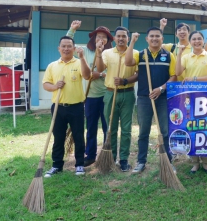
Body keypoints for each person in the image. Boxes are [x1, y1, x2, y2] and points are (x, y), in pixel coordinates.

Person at [125, 27, 177, 174]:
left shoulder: (169, 56)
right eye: (151, 36)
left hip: (162, 98)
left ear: (162, 39)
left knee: (165, 131)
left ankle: (167, 161)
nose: (154, 39)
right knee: (143, 131)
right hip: (144, 98)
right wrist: (132, 42)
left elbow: (174, 76)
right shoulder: (141, 55)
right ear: (147, 39)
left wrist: (161, 89)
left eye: (157, 36)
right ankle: (141, 161)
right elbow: (128, 62)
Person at [66, 20, 113, 167]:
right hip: (91, 95)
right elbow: (68, 44)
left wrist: (97, 73)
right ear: (93, 38)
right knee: (91, 126)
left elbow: (107, 72)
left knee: (107, 127)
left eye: (104, 37)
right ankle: (90, 155)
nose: (101, 39)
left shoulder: (110, 53)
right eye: (98, 36)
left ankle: (108, 153)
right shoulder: (85, 51)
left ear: (108, 40)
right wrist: (72, 30)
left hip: (107, 94)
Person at [42, 36, 91, 177]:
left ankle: (80, 164)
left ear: (74, 48)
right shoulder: (52, 65)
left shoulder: (79, 62)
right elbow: (46, 84)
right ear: (59, 49)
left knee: (78, 136)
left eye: (69, 46)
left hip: (76, 107)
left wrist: (82, 58)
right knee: (58, 137)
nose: (66, 48)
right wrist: (55, 86)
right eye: (63, 46)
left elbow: (87, 76)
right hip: (58, 107)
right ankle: (57, 165)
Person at [96, 26, 138, 172]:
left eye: (124, 36)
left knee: (126, 129)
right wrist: (99, 54)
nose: (121, 38)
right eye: (118, 36)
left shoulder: (135, 53)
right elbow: (100, 69)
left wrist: (125, 80)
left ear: (128, 38)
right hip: (110, 93)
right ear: (114, 38)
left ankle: (124, 159)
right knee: (110, 128)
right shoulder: (107, 53)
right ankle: (111, 157)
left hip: (128, 93)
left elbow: (138, 74)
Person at [175, 30, 207, 174]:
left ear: (203, 41)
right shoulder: (187, 56)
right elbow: (178, 72)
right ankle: (194, 162)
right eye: (194, 39)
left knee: (204, 128)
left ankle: (205, 162)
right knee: (191, 127)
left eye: (199, 39)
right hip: (189, 97)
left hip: (205, 97)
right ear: (190, 41)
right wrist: (179, 54)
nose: (197, 41)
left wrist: (193, 79)